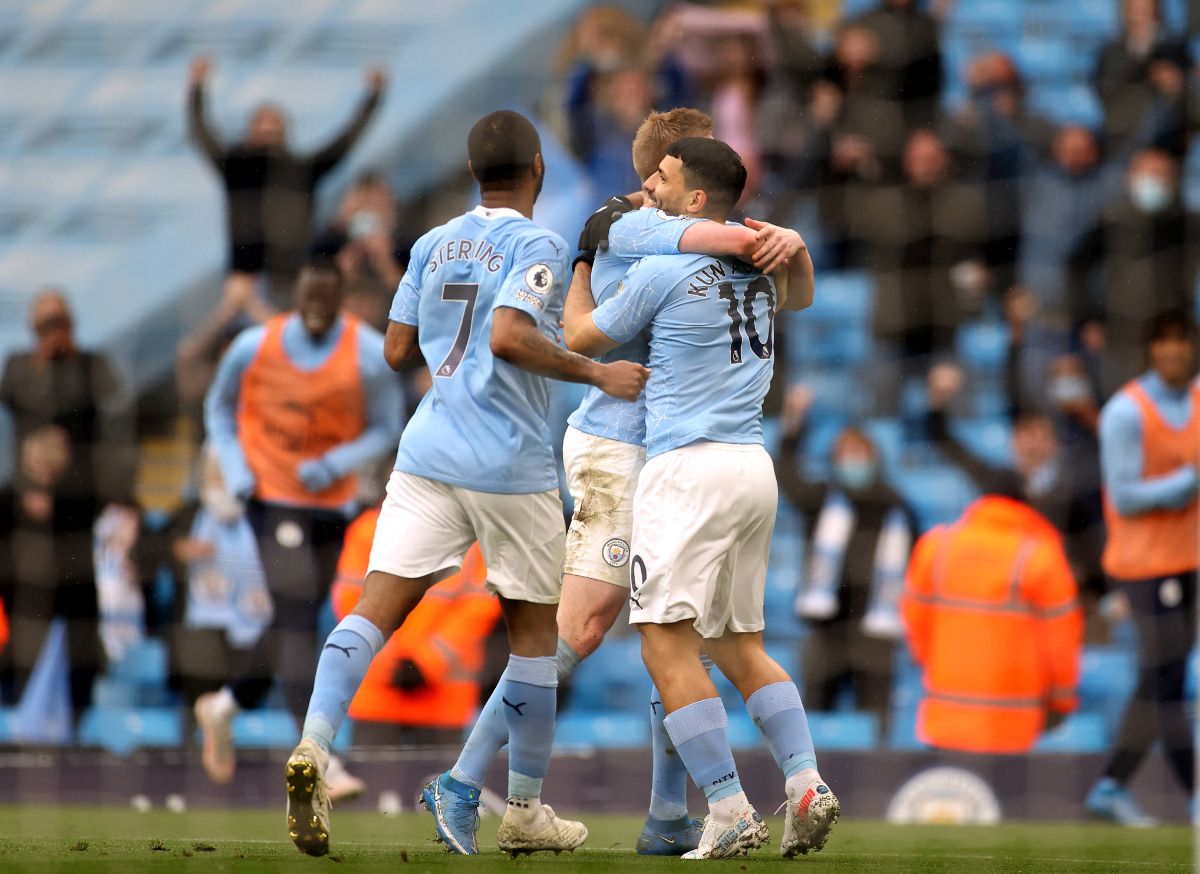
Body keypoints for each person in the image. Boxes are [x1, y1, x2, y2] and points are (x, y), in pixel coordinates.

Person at [440, 106, 808, 858]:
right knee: (584, 626)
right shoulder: (628, 221)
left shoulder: (686, 230)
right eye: (681, 162)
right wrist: (776, 239)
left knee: (679, 634)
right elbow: (587, 325)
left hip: (676, 451)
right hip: (618, 445)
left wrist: (782, 242)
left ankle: (670, 812)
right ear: (668, 174)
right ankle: (464, 779)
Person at [284, 109, 648, 858]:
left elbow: (393, 350)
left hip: (425, 454)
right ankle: (523, 809)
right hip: (508, 464)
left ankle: (315, 748)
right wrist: (595, 370)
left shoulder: (429, 241)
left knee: (373, 609)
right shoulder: (539, 241)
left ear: (472, 173)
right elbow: (511, 335)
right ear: (538, 169)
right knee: (534, 643)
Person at [567, 137, 836, 860]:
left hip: (684, 470)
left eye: (663, 178)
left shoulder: (660, 270)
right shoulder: (757, 264)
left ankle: (726, 806)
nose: (648, 187)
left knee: (662, 643)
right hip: (752, 466)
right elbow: (804, 294)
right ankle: (806, 783)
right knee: (740, 644)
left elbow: (577, 338)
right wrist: (793, 245)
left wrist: (581, 267)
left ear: (693, 201)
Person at [196, 257, 402, 786]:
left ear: (339, 301)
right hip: (268, 495)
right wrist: (237, 470)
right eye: (306, 300)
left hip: (330, 506)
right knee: (293, 617)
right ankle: (317, 756)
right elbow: (218, 407)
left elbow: (387, 425)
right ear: (295, 298)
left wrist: (337, 462)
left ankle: (223, 705)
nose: (315, 311)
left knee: (299, 613)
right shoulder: (254, 346)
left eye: (325, 302)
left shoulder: (365, 352)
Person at [1087, 310, 1198, 826]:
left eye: (1182, 340)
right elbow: (1126, 497)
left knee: (1159, 677)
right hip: (1142, 567)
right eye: (1164, 340)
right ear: (1151, 348)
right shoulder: (1125, 413)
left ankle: (1110, 787)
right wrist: (1190, 481)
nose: (1174, 350)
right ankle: (1194, 793)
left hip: (1188, 560)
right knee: (1168, 675)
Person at [187, 56, 386, 308]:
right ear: (250, 131)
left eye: (274, 124)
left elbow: (344, 142)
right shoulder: (235, 168)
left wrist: (373, 98)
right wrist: (196, 90)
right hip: (246, 279)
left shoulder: (301, 170)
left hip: (289, 278)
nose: (267, 129)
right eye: (261, 123)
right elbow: (202, 133)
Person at [775, 387, 915, 733]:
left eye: (859, 452)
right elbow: (786, 473)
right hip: (827, 633)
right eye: (845, 453)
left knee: (877, 727)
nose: (852, 460)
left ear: (874, 457)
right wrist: (794, 422)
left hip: (877, 637)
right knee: (817, 726)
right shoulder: (821, 500)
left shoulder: (897, 507)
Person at [902, 492, 1083, 754]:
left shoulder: (937, 547)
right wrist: (1062, 699)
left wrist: (930, 658)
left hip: (946, 715)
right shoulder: (1040, 554)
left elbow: (914, 618)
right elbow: (1061, 638)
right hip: (1012, 722)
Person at [330, 515, 500, 746]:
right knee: (379, 781)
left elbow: (481, 606)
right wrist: (400, 662)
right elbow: (350, 600)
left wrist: (426, 662)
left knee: (434, 781)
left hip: (441, 703)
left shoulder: (478, 534)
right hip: (379, 699)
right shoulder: (368, 530)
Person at [0, 426, 103, 721]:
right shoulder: (8, 499)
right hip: (22, 615)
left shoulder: (79, 498)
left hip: (72, 614)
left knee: (76, 693)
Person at [0, 290, 136, 508]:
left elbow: (114, 406)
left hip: (86, 486)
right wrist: (41, 363)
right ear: (34, 327)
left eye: (60, 322)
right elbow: (18, 401)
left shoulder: (93, 364)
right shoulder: (18, 365)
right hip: (32, 487)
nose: (54, 331)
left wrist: (71, 357)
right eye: (47, 324)